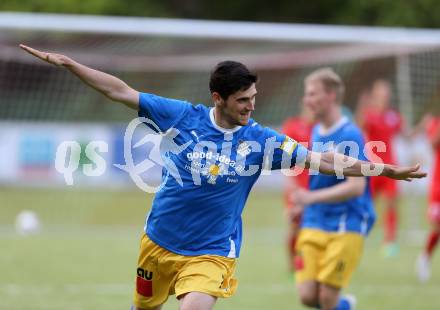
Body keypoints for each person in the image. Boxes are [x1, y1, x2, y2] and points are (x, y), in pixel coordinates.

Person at [19, 44, 426, 310]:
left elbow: (322, 160)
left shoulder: (261, 141)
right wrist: (72, 64)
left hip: (213, 251)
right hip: (158, 241)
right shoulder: (182, 117)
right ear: (218, 98)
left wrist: (383, 168)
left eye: (254, 98)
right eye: (242, 100)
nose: (252, 106)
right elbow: (121, 91)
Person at [291, 68, 375, 310]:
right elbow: (320, 178)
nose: (306, 100)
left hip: (346, 221)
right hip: (315, 219)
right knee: (307, 296)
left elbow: (357, 186)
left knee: (327, 298)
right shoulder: (316, 131)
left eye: (312, 94)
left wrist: (310, 198)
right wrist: (301, 204)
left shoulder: (350, 134)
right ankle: (345, 306)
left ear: (330, 96)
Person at [356, 80, 403, 257]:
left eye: (386, 93)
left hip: (391, 167)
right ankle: (358, 234)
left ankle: (390, 241)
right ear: (375, 95)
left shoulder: (393, 116)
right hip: (373, 167)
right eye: (380, 93)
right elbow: (359, 126)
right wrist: (362, 105)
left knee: (391, 204)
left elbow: (404, 133)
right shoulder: (368, 114)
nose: (384, 96)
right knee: (367, 205)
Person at [282, 103, 314, 273]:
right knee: (295, 227)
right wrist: (290, 182)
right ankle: (292, 264)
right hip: (295, 188)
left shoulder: (319, 129)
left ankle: (306, 265)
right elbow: (284, 158)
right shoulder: (292, 126)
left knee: (311, 228)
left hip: (314, 189)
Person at [416, 111, 440, 282]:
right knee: (437, 227)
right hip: (438, 186)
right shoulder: (435, 123)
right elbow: (433, 143)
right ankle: (424, 257)